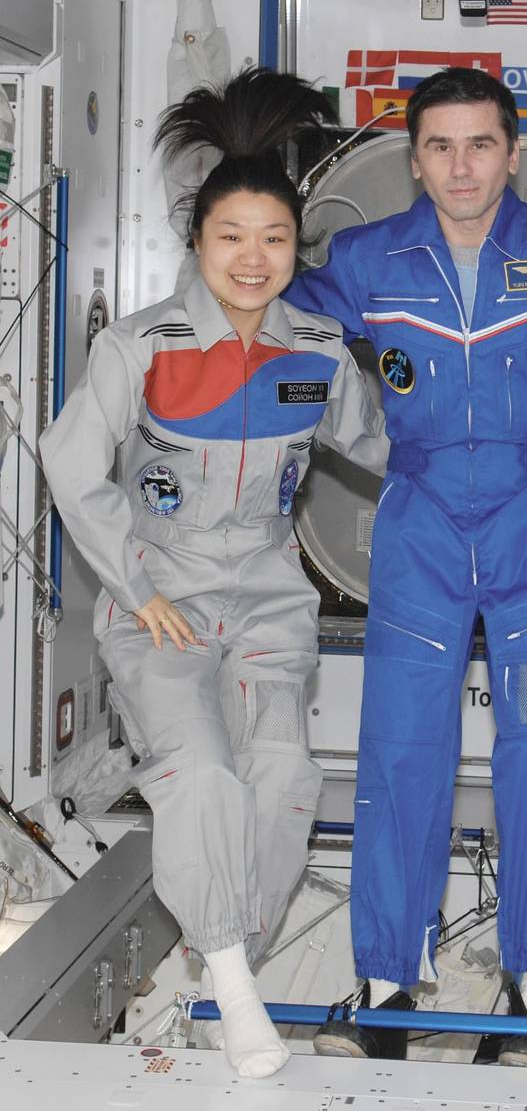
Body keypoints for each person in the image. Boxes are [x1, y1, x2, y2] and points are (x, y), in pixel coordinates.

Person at [40, 68, 388, 1079]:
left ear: (294, 248)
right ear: (197, 240)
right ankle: (234, 984)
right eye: (232, 235)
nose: (252, 257)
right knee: (198, 773)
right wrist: (135, 587)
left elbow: (380, 448)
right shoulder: (142, 345)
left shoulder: (317, 349)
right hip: (164, 600)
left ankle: (224, 952)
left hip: (270, 598)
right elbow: (69, 461)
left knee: (282, 778)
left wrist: (497, 456)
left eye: (273, 239)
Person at [286, 66, 527, 1068]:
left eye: (479, 144)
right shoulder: (365, 258)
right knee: (400, 747)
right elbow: (265, 318)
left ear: (513, 153)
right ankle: (387, 985)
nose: (461, 166)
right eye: (439, 146)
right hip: (420, 525)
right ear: (413, 160)